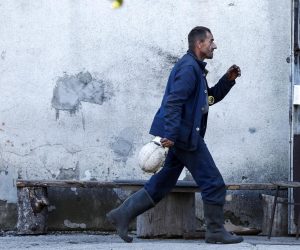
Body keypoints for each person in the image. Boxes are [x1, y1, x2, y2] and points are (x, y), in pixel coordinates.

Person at [106, 26, 243, 244]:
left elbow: (208, 99)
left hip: (181, 135)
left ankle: (122, 214)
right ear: (199, 44)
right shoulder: (189, 68)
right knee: (213, 182)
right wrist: (170, 134)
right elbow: (173, 103)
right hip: (184, 136)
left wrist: (228, 80)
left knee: (163, 182)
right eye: (211, 41)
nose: (214, 45)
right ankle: (216, 231)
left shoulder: (195, 68)